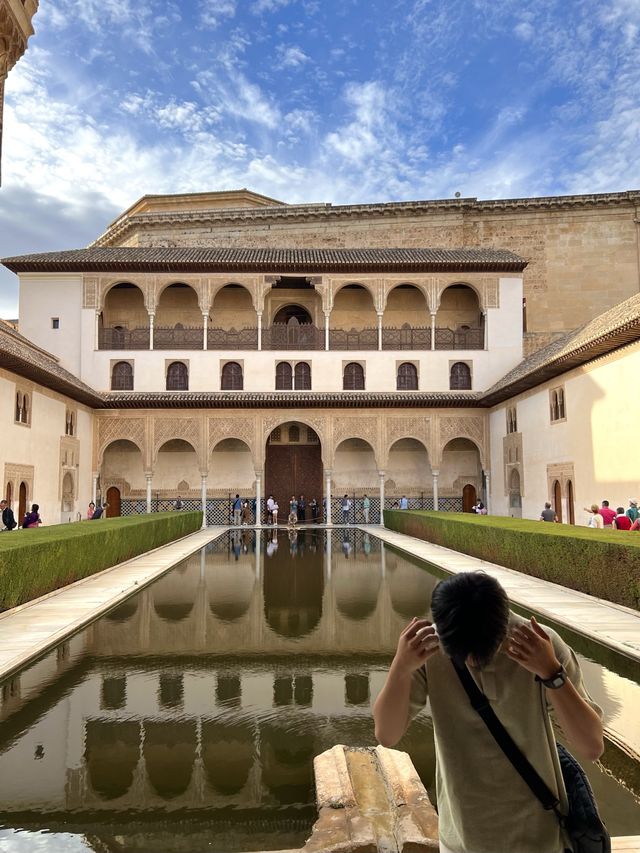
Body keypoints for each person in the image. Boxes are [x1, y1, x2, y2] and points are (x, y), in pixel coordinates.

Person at [373, 572, 603, 853]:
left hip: (540, 836)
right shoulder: (431, 649)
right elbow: (387, 734)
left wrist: (551, 673)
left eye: (480, 653)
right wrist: (401, 666)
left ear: (503, 629)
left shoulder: (541, 647)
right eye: (461, 654)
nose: (470, 661)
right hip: (462, 838)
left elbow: (591, 746)